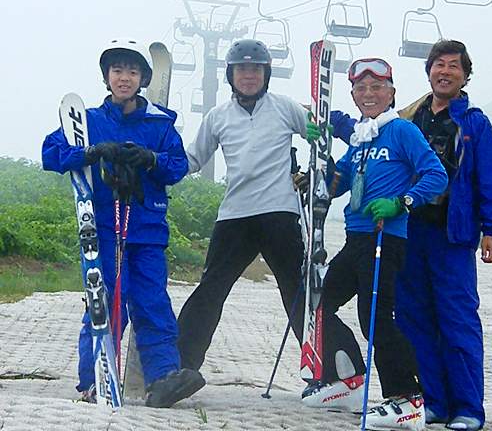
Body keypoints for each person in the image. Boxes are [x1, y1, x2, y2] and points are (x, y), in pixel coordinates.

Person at [176, 39, 353, 391]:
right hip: (235, 216)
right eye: (242, 69)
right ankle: (178, 367)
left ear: (266, 74)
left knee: (298, 293)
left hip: (278, 214)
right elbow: (193, 159)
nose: (249, 76)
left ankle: (336, 372)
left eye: (256, 69)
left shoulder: (284, 107)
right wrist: (156, 165)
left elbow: (320, 139)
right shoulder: (218, 117)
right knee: (210, 290)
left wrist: (321, 137)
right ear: (231, 75)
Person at [42, 38, 204, 408]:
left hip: (147, 231)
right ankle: (95, 380)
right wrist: (89, 152)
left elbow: (178, 166)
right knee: (106, 300)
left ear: (143, 78)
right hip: (102, 229)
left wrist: (151, 159)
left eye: (132, 71)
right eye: (117, 70)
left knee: (152, 303)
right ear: (107, 76)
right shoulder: (89, 121)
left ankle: (163, 378)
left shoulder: (160, 124)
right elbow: (50, 153)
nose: (124, 78)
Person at [301, 58, 448, 431]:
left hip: (386, 238)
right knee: (317, 305)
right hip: (356, 240)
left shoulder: (401, 131)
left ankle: (407, 398)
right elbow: (336, 186)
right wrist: (320, 155)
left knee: (376, 320)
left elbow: (436, 175)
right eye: (361, 88)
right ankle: (347, 380)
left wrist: (403, 201)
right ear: (353, 95)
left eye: (377, 87)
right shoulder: (361, 140)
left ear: (391, 93)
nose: (369, 94)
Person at [395, 40, 492, 431]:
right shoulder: (408, 118)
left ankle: (468, 408)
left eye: (453, 66)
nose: (445, 72)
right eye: (439, 64)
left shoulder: (474, 123)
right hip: (409, 233)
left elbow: (488, 175)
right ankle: (434, 402)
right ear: (429, 71)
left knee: (457, 320)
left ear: (464, 75)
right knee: (414, 318)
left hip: (453, 235)